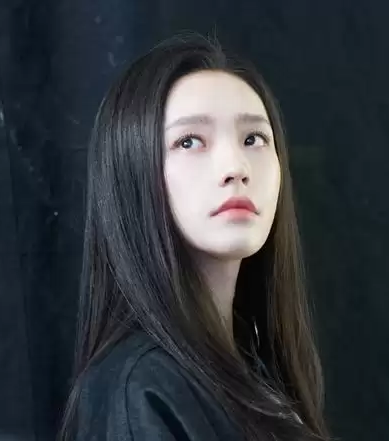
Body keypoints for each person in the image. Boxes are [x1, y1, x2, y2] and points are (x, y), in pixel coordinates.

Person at [59, 33, 331, 441]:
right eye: (189, 141)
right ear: (132, 173)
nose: (235, 167)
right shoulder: (138, 389)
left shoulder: (258, 367)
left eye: (253, 139)